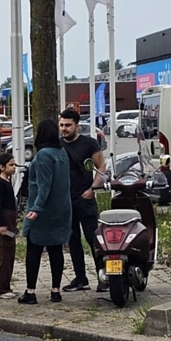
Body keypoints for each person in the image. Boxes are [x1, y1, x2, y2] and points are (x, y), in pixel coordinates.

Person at [19, 119, 72, 305]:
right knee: (56, 249)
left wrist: (36, 208)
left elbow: (44, 185)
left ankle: (30, 292)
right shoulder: (62, 152)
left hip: (43, 211)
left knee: (34, 249)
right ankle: (56, 291)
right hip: (62, 208)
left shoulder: (43, 155)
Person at [59, 108, 106, 292]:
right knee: (72, 240)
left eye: (68, 125)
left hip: (85, 198)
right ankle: (80, 278)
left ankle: (103, 277)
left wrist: (93, 189)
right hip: (66, 200)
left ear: (76, 125)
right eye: (61, 125)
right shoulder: (57, 145)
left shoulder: (89, 144)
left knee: (93, 238)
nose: (64, 129)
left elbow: (101, 167)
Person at [0, 152, 18, 299]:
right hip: (5, 220)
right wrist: (3, 224)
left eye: (14, 165)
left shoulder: (7, 181)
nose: (14, 167)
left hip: (10, 219)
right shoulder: (0, 183)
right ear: (2, 167)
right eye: (11, 165)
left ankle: (5, 286)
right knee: (5, 254)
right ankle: (0, 288)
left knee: (10, 252)